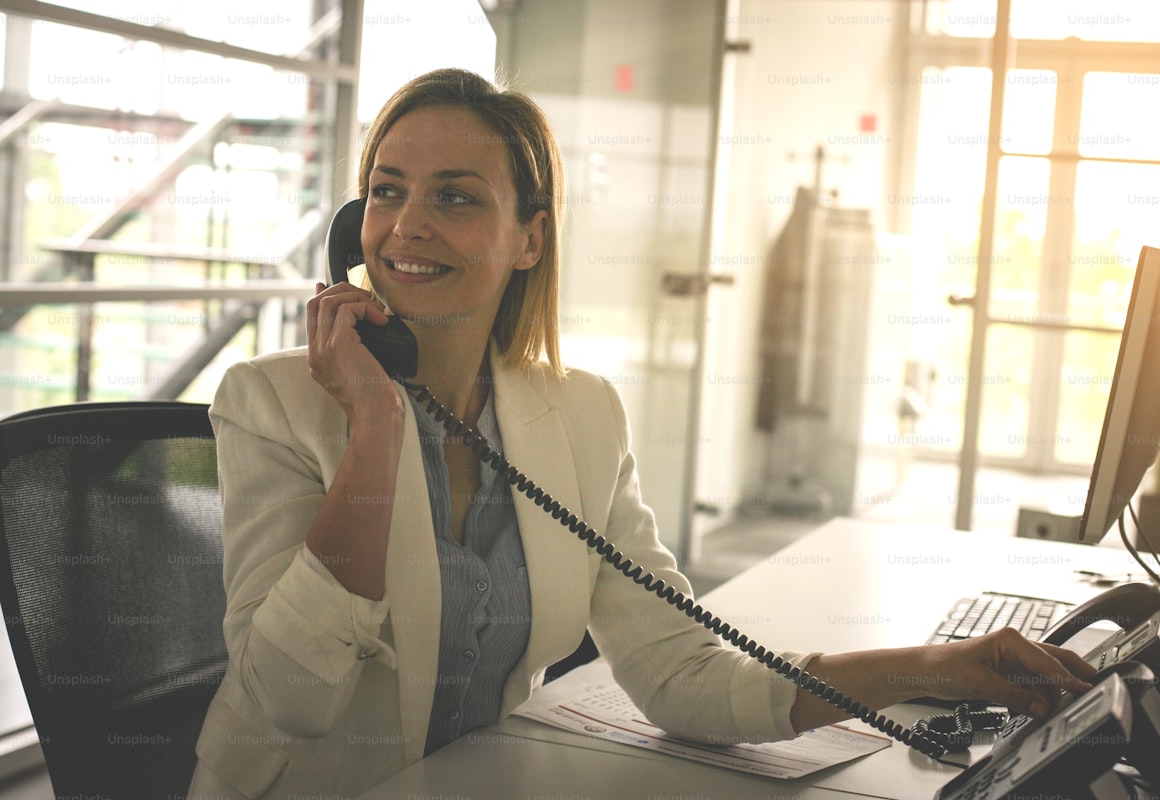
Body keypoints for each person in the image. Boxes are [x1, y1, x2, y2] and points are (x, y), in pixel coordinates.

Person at [188, 68, 1095, 799]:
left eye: (456, 198)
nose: (407, 226)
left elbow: (681, 675)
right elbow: (290, 703)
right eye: (387, 192)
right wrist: (378, 427)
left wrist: (943, 665)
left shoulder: (578, 415)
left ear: (530, 239)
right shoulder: (273, 404)